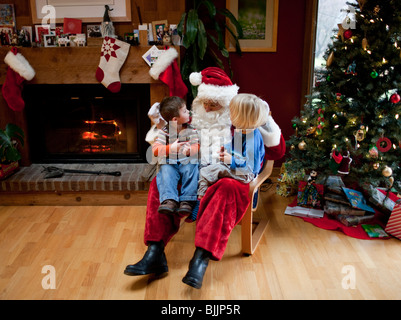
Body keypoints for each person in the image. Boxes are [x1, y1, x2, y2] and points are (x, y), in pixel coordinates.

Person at [124, 67, 285, 289]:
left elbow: (276, 152)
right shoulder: (193, 117)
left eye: (214, 104)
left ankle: (200, 258)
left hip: (230, 175)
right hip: (195, 169)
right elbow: (169, 134)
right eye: (205, 103)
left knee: (227, 187)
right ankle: (155, 251)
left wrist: (265, 121)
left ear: (228, 103)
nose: (208, 108)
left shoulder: (242, 118)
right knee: (162, 180)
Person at [197, 94, 268, 198]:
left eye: (232, 112)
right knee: (205, 164)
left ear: (242, 117)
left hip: (246, 174)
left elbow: (251, 167)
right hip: (238, 166)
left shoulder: (252, 139)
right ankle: (204, 195)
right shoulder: (242, 129)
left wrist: (231, 160)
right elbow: (235, 149)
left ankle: (201, 199)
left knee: (206, 171)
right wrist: (226, 149)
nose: (230, 114)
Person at [152, 96, 200, 216]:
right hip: (171, 162)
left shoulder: (191, 130)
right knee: (166, 170)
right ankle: (169, 199)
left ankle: (187, 200)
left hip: (187, 161)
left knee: (192, 168)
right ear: (175, 119)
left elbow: (196, 145)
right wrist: (170, 148)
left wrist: (191, 150)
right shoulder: (164, 131)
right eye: (184, 111)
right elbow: (155, 150)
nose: (188, 111)